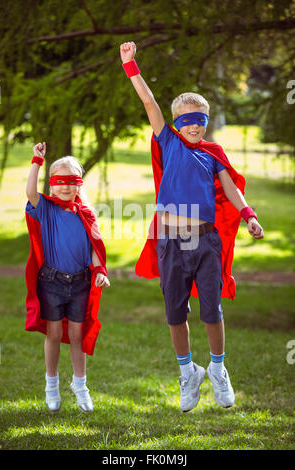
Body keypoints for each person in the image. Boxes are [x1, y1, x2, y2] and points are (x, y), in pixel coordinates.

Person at [120, 41, 264, 412]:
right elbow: (150, 104)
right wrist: (131, 66)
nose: (194, 126)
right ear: (175, 123)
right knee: (175, 312)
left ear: (207, 122)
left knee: (212, 310)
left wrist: (248, 214)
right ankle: (188, 373)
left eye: (200, 120)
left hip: (205, 241)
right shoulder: (167, 141)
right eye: (186, 120)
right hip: (171, 241)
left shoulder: (213, 153)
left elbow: (230, 186)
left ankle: (217, 369)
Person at [25, 142, 110, 413]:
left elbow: (95, 248)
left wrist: (99, 272)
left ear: (79, 185)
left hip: (81, 283)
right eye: (59, 181)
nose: (65, 187)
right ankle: (51, 385)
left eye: (71, 181)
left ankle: (80, 385)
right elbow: (30, 192)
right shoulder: (46, 209)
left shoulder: (87, 214)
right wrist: (36, 162)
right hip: (51, 282)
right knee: (53, 333)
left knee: (76, 334)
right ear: (51, 186)